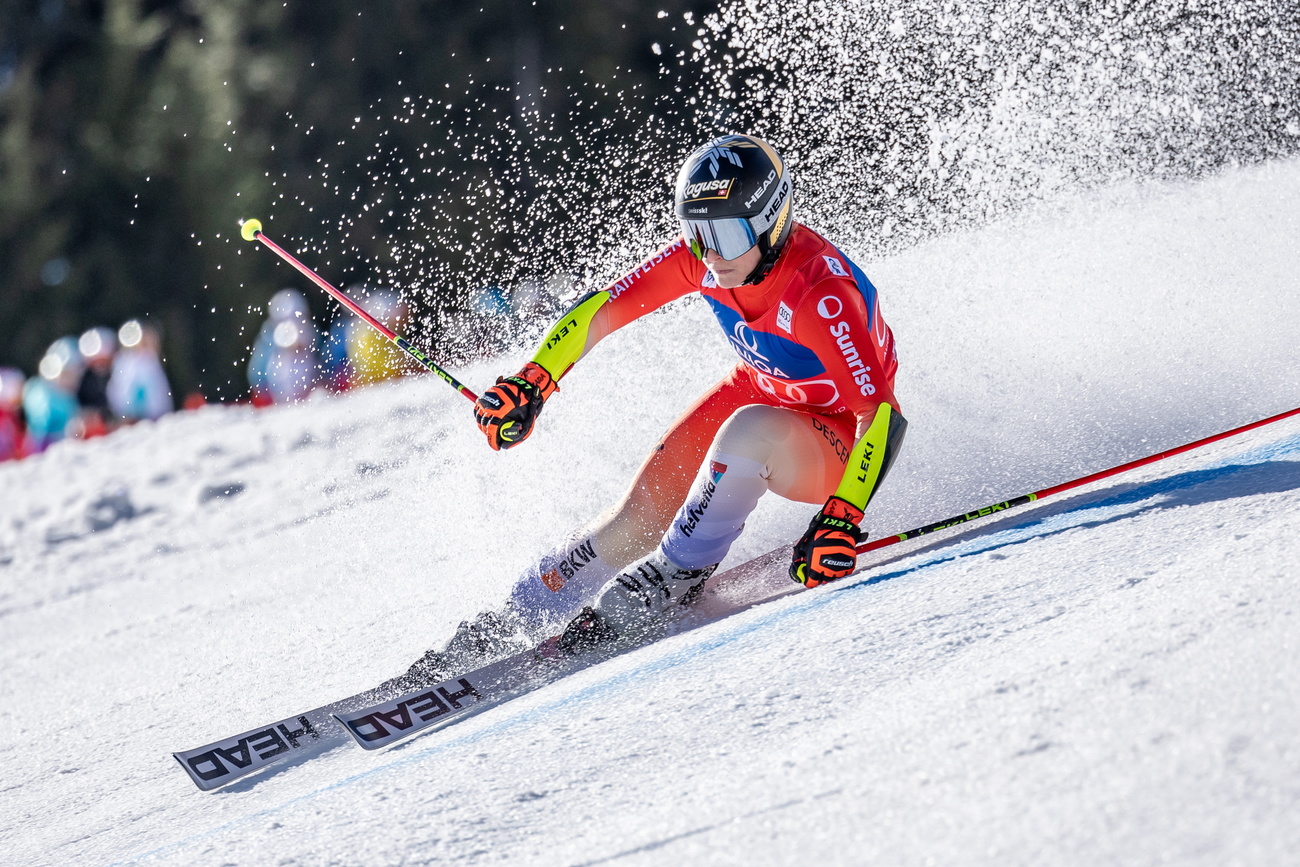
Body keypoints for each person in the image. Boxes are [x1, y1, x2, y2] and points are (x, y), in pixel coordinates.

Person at [404, 134, 907, 683]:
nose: (710, 254)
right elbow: (601, 311)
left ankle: (674, 575)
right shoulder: (707, 262)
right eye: (697, 234)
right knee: (640, 513)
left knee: (749, 432)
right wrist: (533, 381)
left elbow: (881, 415)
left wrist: (842, 514)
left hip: (834, 433)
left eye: (727, 234)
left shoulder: (818, 293)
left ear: (772, 222)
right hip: (761, 386)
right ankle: (519, 613)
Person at [247, 288, 321, 405]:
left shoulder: (309, 331)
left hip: (307, 393)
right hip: (275, 396)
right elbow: (258, 371)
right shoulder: (269, 337)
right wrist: (263, 389)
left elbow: (322, 361)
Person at [107, 320, 173, 423]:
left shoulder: (151, 360)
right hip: (138, 415)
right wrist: (128, 411)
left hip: (155, 414)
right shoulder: (129, 363)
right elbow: (124, 390)